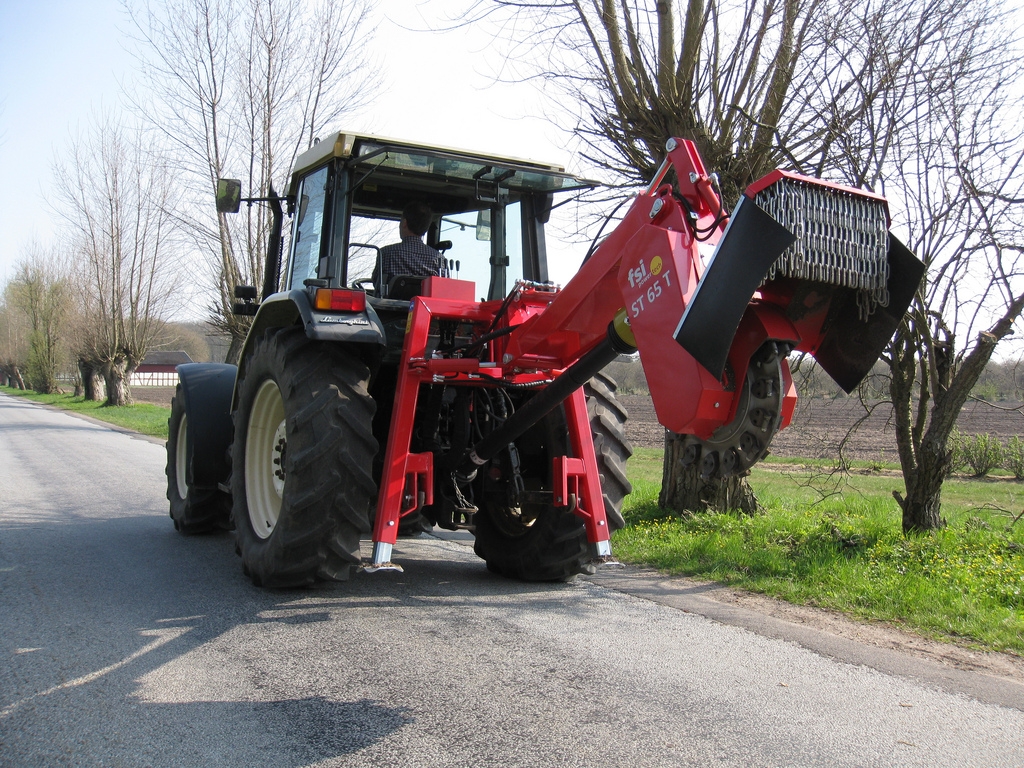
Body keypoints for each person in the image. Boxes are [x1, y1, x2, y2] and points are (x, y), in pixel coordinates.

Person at [373, 201, 444, 294]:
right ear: (426, 228)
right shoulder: (439, 259)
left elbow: (377, 283)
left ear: (404, 223)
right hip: (425, 308)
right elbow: (443, 289)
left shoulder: (385, 253)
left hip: (390, 307)